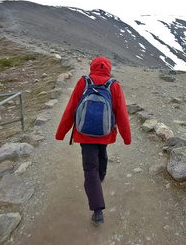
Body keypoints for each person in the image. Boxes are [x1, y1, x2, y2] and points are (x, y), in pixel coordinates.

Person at [55, 56, 131, 226]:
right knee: (102, 152)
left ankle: (97, 212)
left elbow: (71, 109)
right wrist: (127, 138)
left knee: (90, 168)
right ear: (108, 68)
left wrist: (61, 133)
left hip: (85, 134)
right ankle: (101, 176)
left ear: (92, 67)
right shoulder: (114, 85)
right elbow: (122, 115)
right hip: (105, 133)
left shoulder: (84, 82)